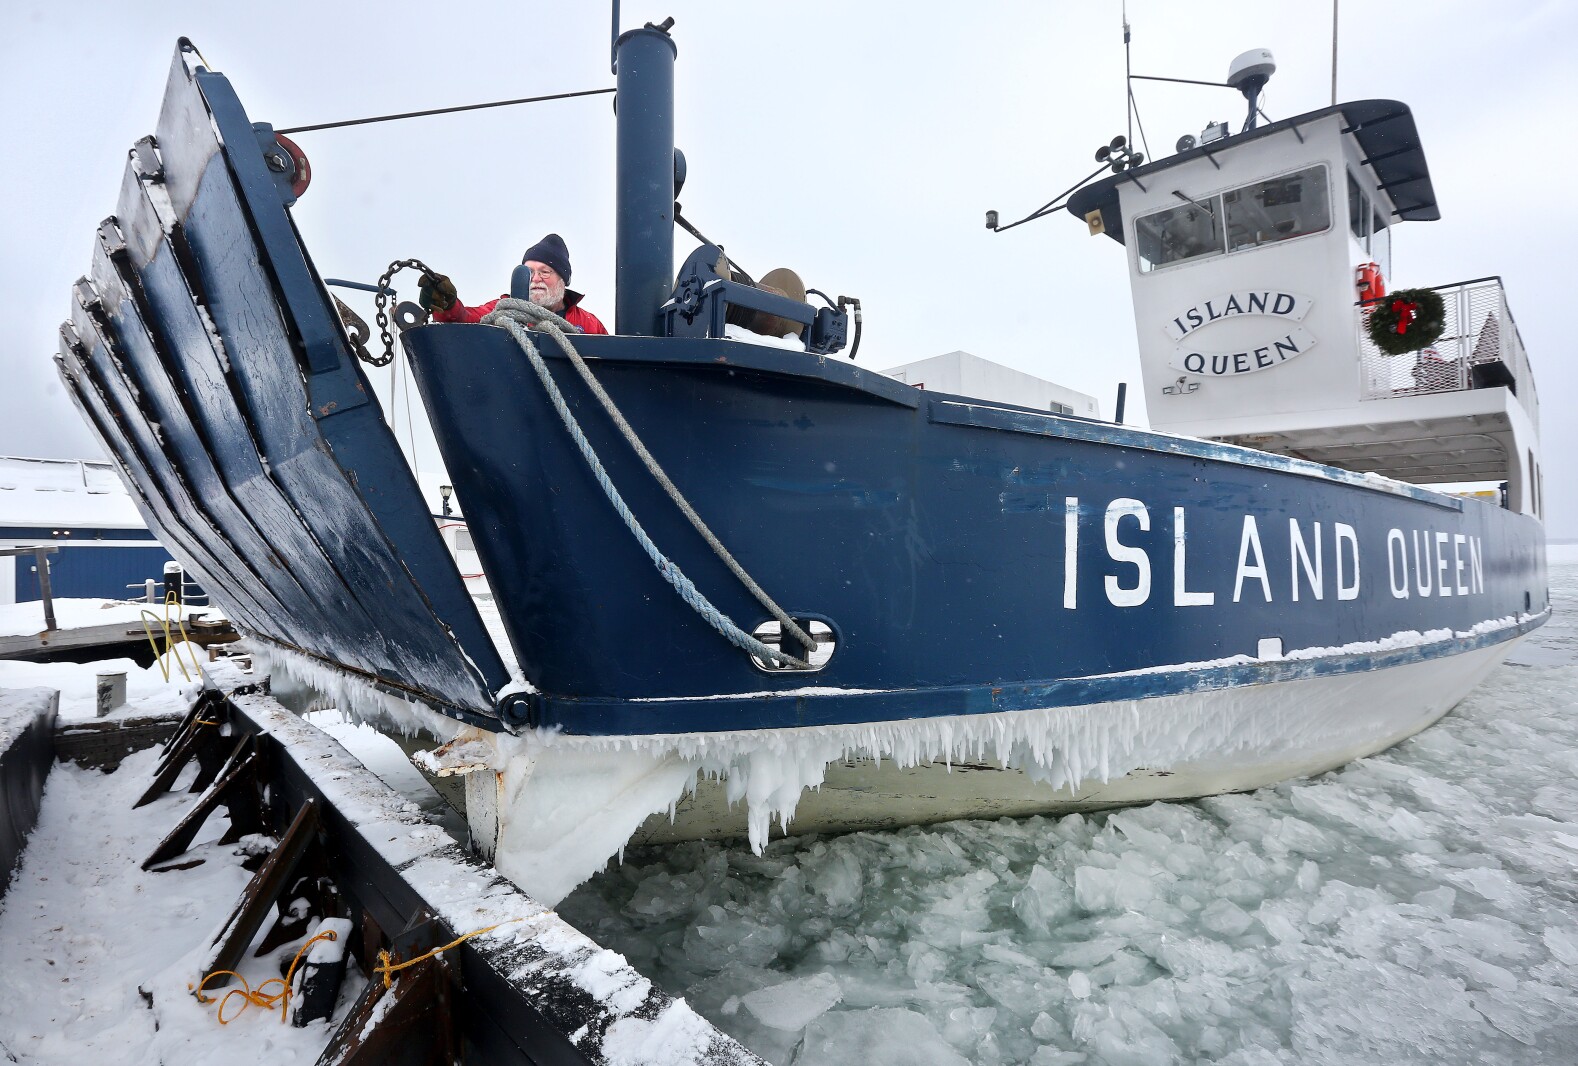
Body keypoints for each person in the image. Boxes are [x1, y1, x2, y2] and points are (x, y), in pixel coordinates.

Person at [418, 233, 609, 335]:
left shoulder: (589, 324)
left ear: (563, 281)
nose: (535, 279)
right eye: (530, 272)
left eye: (545, 272)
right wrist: (447, 305)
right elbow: (465, 319)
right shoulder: (502, 310)